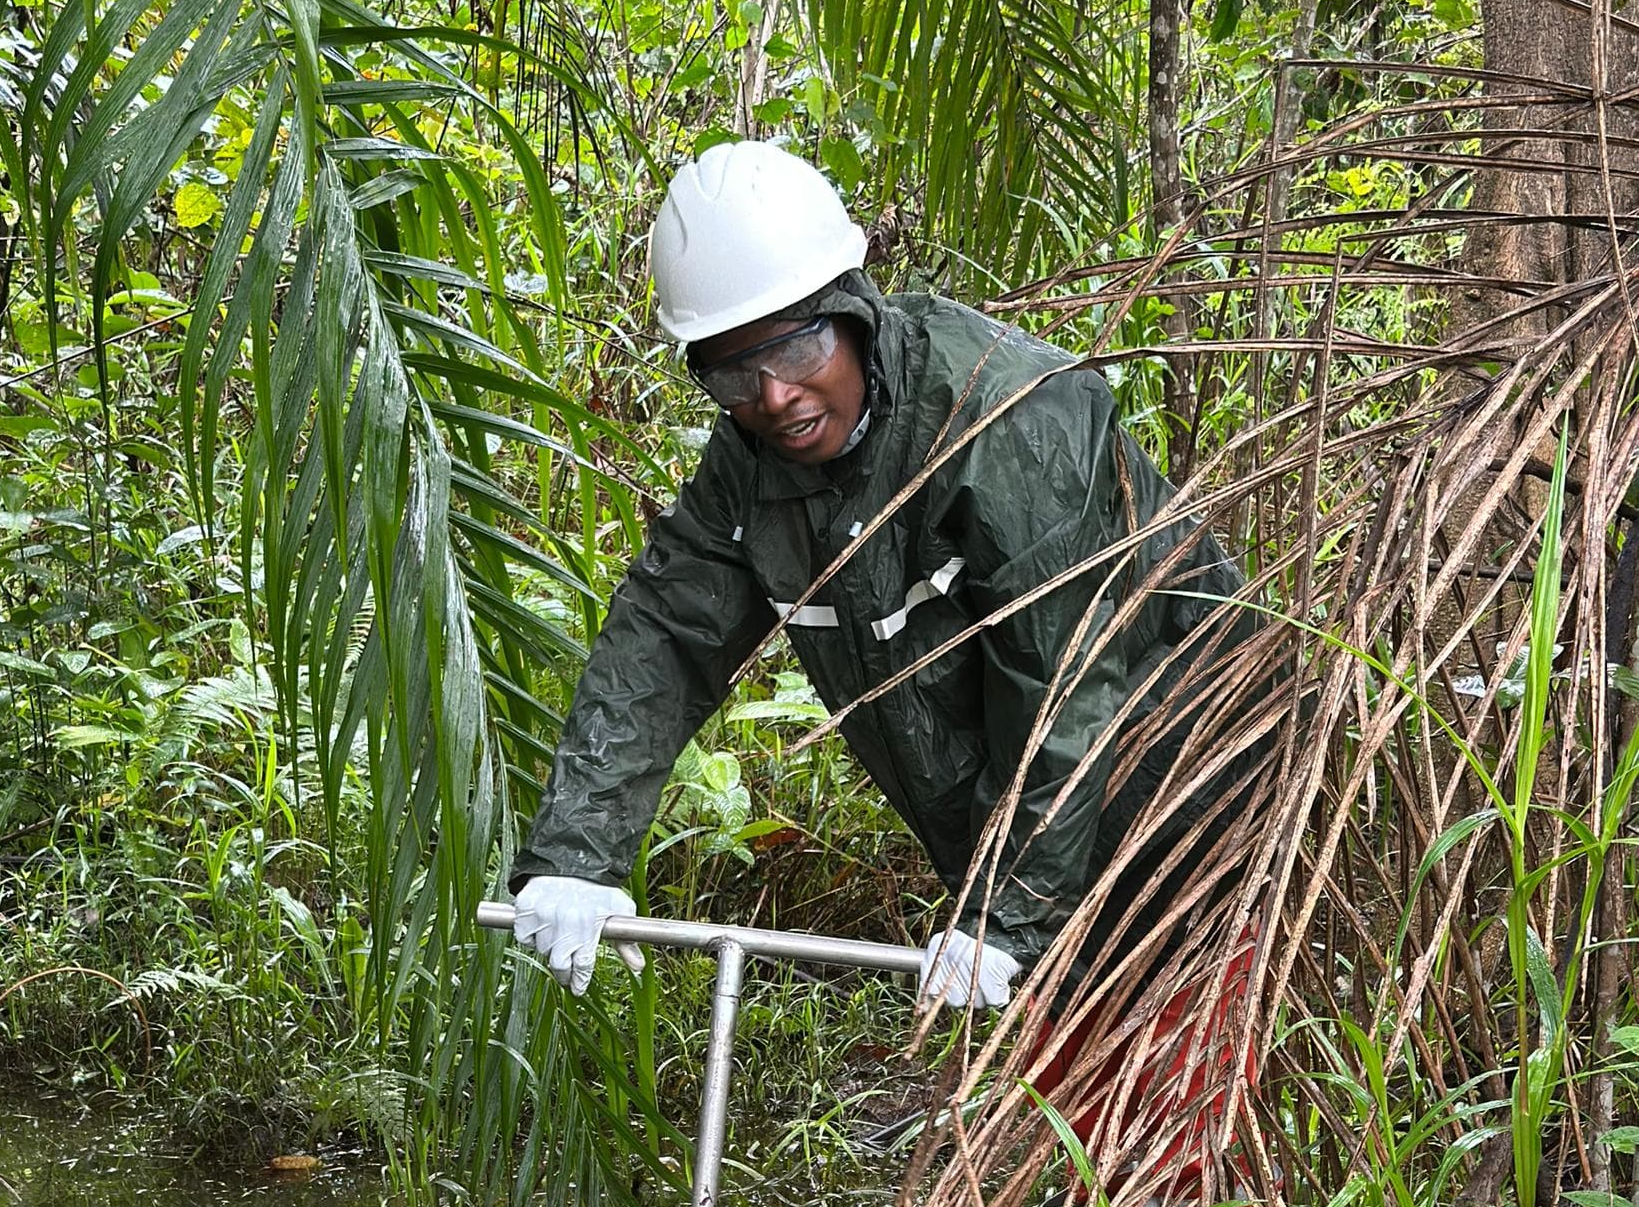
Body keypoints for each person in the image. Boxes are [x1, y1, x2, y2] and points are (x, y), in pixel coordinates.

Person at [506, 137, 1251, 1008]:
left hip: (1192, 796)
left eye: (795, 351)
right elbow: (667, 635)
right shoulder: (751, 461)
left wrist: (1007, 916)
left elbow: (1065, 684)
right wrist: (577, 852)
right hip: (1023, 845)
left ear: (853, 313)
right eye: (734, 372)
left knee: (1180, 1067)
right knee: (1065, 1069)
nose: (773, 397)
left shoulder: (1010, 417)